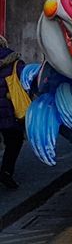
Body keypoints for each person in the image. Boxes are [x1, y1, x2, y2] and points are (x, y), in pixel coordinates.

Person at [0, 37, 24, 189]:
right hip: (8, 110)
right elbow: (26, 82)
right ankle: (6, 172)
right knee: (14, 141)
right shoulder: (15, 62)